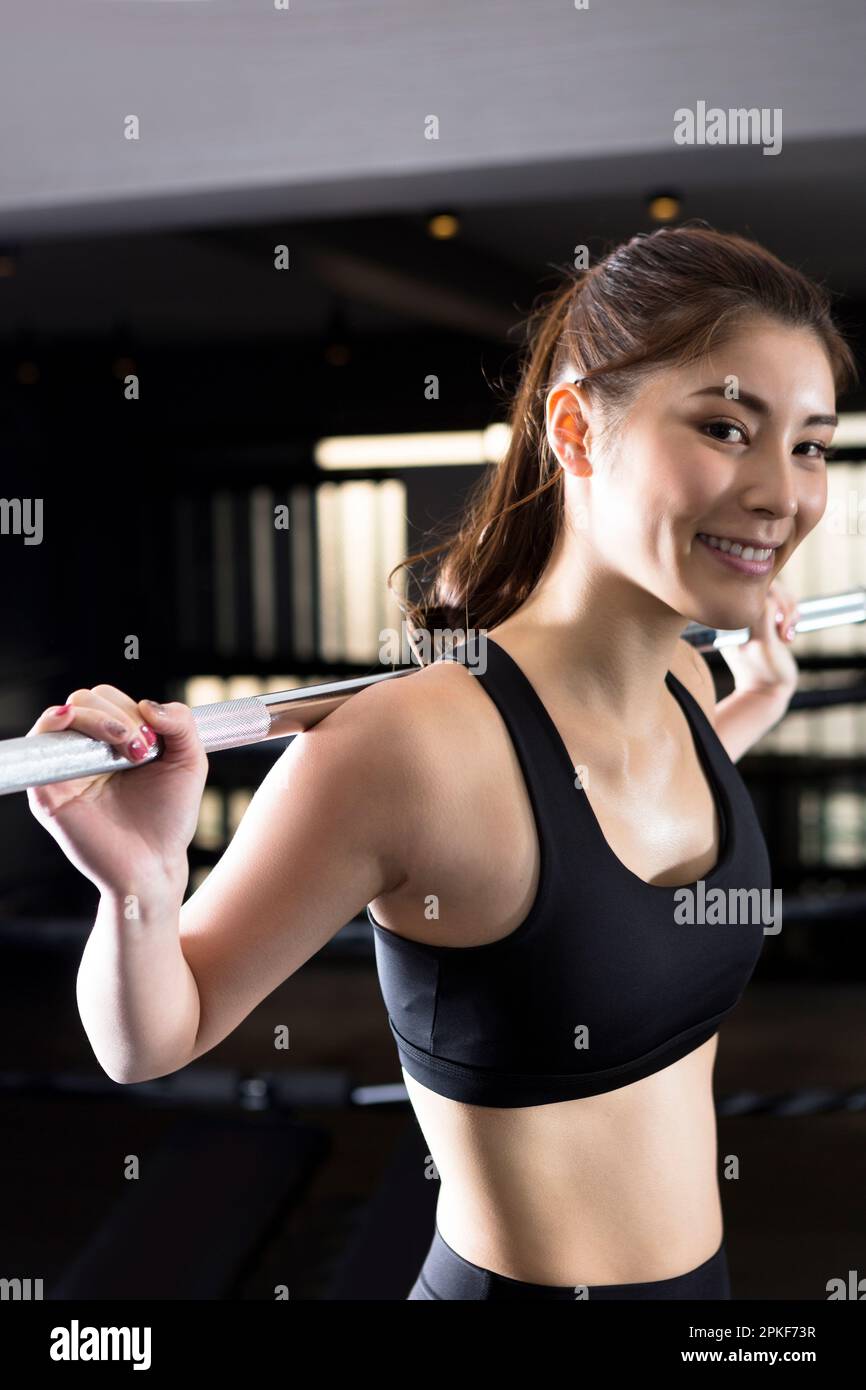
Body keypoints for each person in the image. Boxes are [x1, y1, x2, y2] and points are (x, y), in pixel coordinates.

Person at [26, 223, 858, 1300]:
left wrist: (760, 697)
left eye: (807, 444)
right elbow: (152, 1039)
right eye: (724, 427)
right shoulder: (404, 748)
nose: (781, 493)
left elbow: (598, 842)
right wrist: (139, 887)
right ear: (574, 429)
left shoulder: (686, 694)